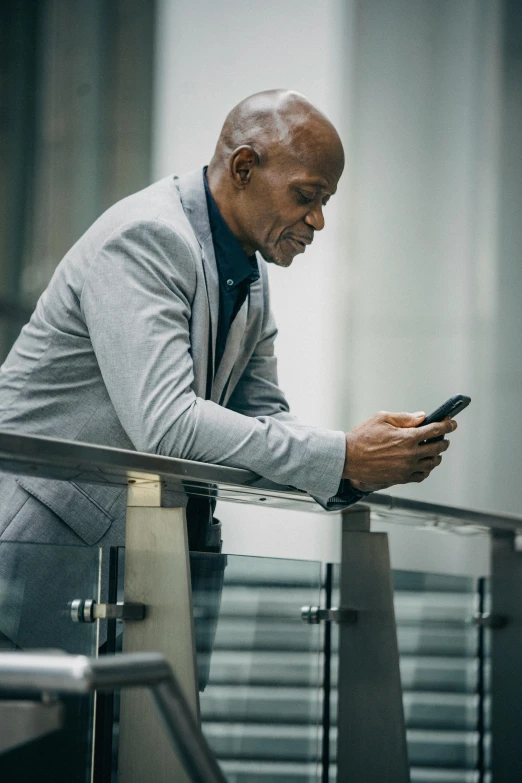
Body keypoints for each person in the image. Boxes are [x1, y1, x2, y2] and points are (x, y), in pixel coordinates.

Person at [0, 90, 455, 657]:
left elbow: (262, 424)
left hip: (145, 573)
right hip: (38, 567)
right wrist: (341, 453)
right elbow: (166, 426)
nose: (317, 219)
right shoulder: (145, 238)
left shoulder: (249, 274)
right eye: (307, 196)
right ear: (244, 167)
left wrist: (357, 469)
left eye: (325, 201)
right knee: (43, 747)